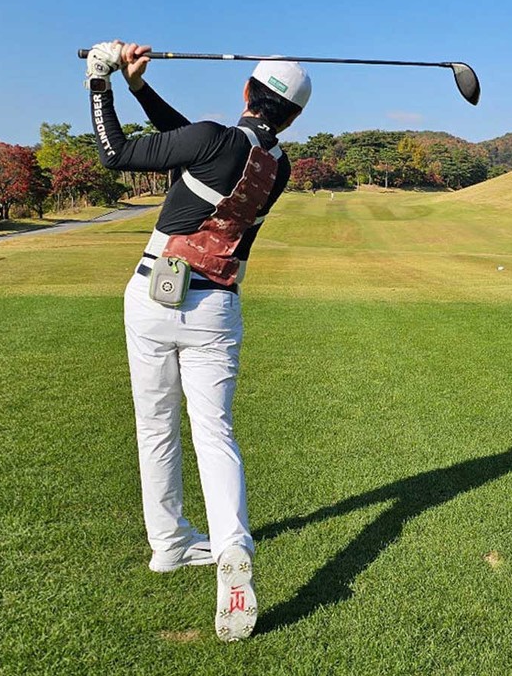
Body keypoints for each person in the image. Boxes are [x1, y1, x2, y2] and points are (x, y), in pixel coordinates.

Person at [84, 41, 311, 642]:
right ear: (292, 117)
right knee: (215, 433)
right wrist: (140, 88)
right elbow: (194, 144)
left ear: (247, 91)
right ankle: (230, 546)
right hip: (216, 307)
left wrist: (101, 81)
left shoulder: (214, 140)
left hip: (153, 297)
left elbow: (118, 154)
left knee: (155, 425)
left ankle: (169, 543)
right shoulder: (276, 166)